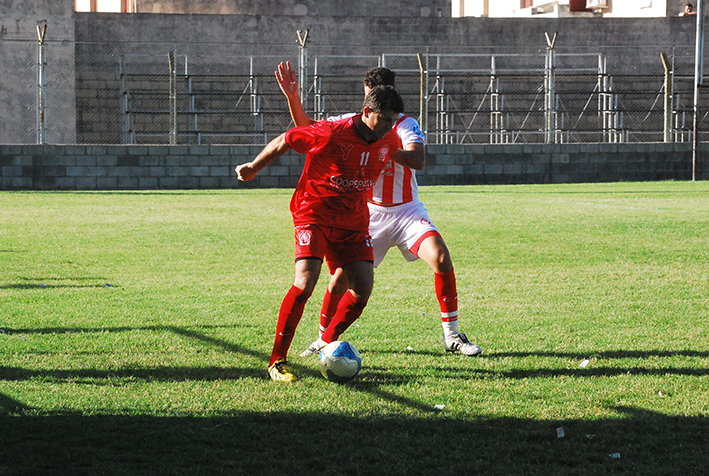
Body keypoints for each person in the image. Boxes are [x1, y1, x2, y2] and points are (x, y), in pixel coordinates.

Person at [275, 62, 482, 358]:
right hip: (369, 213)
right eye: (369, 98)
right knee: (340, 280)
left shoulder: (403, 124)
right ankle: (323, 339)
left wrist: (380, 145)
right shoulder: (350, 122)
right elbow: (306, 129)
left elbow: (418, 158)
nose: (371, 106)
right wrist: (293, 98)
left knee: (440, 255)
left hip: (407, 212)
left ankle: (452, 335)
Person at [236, 85, 405, 382]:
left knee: (362, 289)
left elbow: (407, 156)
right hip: (313, 213)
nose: (391, 127)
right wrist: (253, 167)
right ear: (367, 112)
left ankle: (326, 342)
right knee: (305, 283)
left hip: (353, 220)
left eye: (394, 120)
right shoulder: (331, 132)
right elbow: (285, 140)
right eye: (385, 119)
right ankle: (277, 361)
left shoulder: (388, 139)